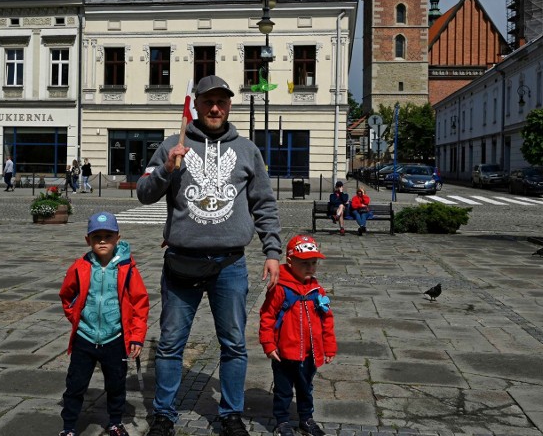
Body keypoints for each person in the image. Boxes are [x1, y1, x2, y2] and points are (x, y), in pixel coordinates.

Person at [136, 74, 282, 436]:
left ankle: (231, 414)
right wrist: (168, 169)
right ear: (196, 105)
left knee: (233, 344)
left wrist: (273, 250)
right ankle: (164, 414)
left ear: (229, 105)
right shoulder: (173, 144)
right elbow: (143, 193)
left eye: (221, 102)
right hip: (182, 263)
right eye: (207, 102)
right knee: (170, 344)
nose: (215, 108)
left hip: (230, 264)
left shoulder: (248, 150)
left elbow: (264, 203)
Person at [58, 212, 150, 436]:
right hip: (85, 339)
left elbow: (140, 303)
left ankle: (115, 422)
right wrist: (77, 320)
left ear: (117, 238)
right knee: (75, 385)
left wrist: (136, 336)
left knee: (116, 384)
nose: (102, 240)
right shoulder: (80, 267)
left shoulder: (128, 269)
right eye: (96, 236)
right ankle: (69, 427)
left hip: (115, 339)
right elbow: (67, 295)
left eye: (107, 236)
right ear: (87, 240)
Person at [259, 234, 336, 436]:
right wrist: (268, 344)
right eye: (305, 263)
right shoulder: (280, 288)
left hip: (310, 353)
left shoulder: (317, 290)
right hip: (284, 352)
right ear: (290, 261)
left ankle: (306, 418)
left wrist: (329, 347)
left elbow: (327, 319)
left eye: (314, 263)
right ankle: (282, 421)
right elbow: (267, 316)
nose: (310, 267)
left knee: (305, 389)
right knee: (283, 391)